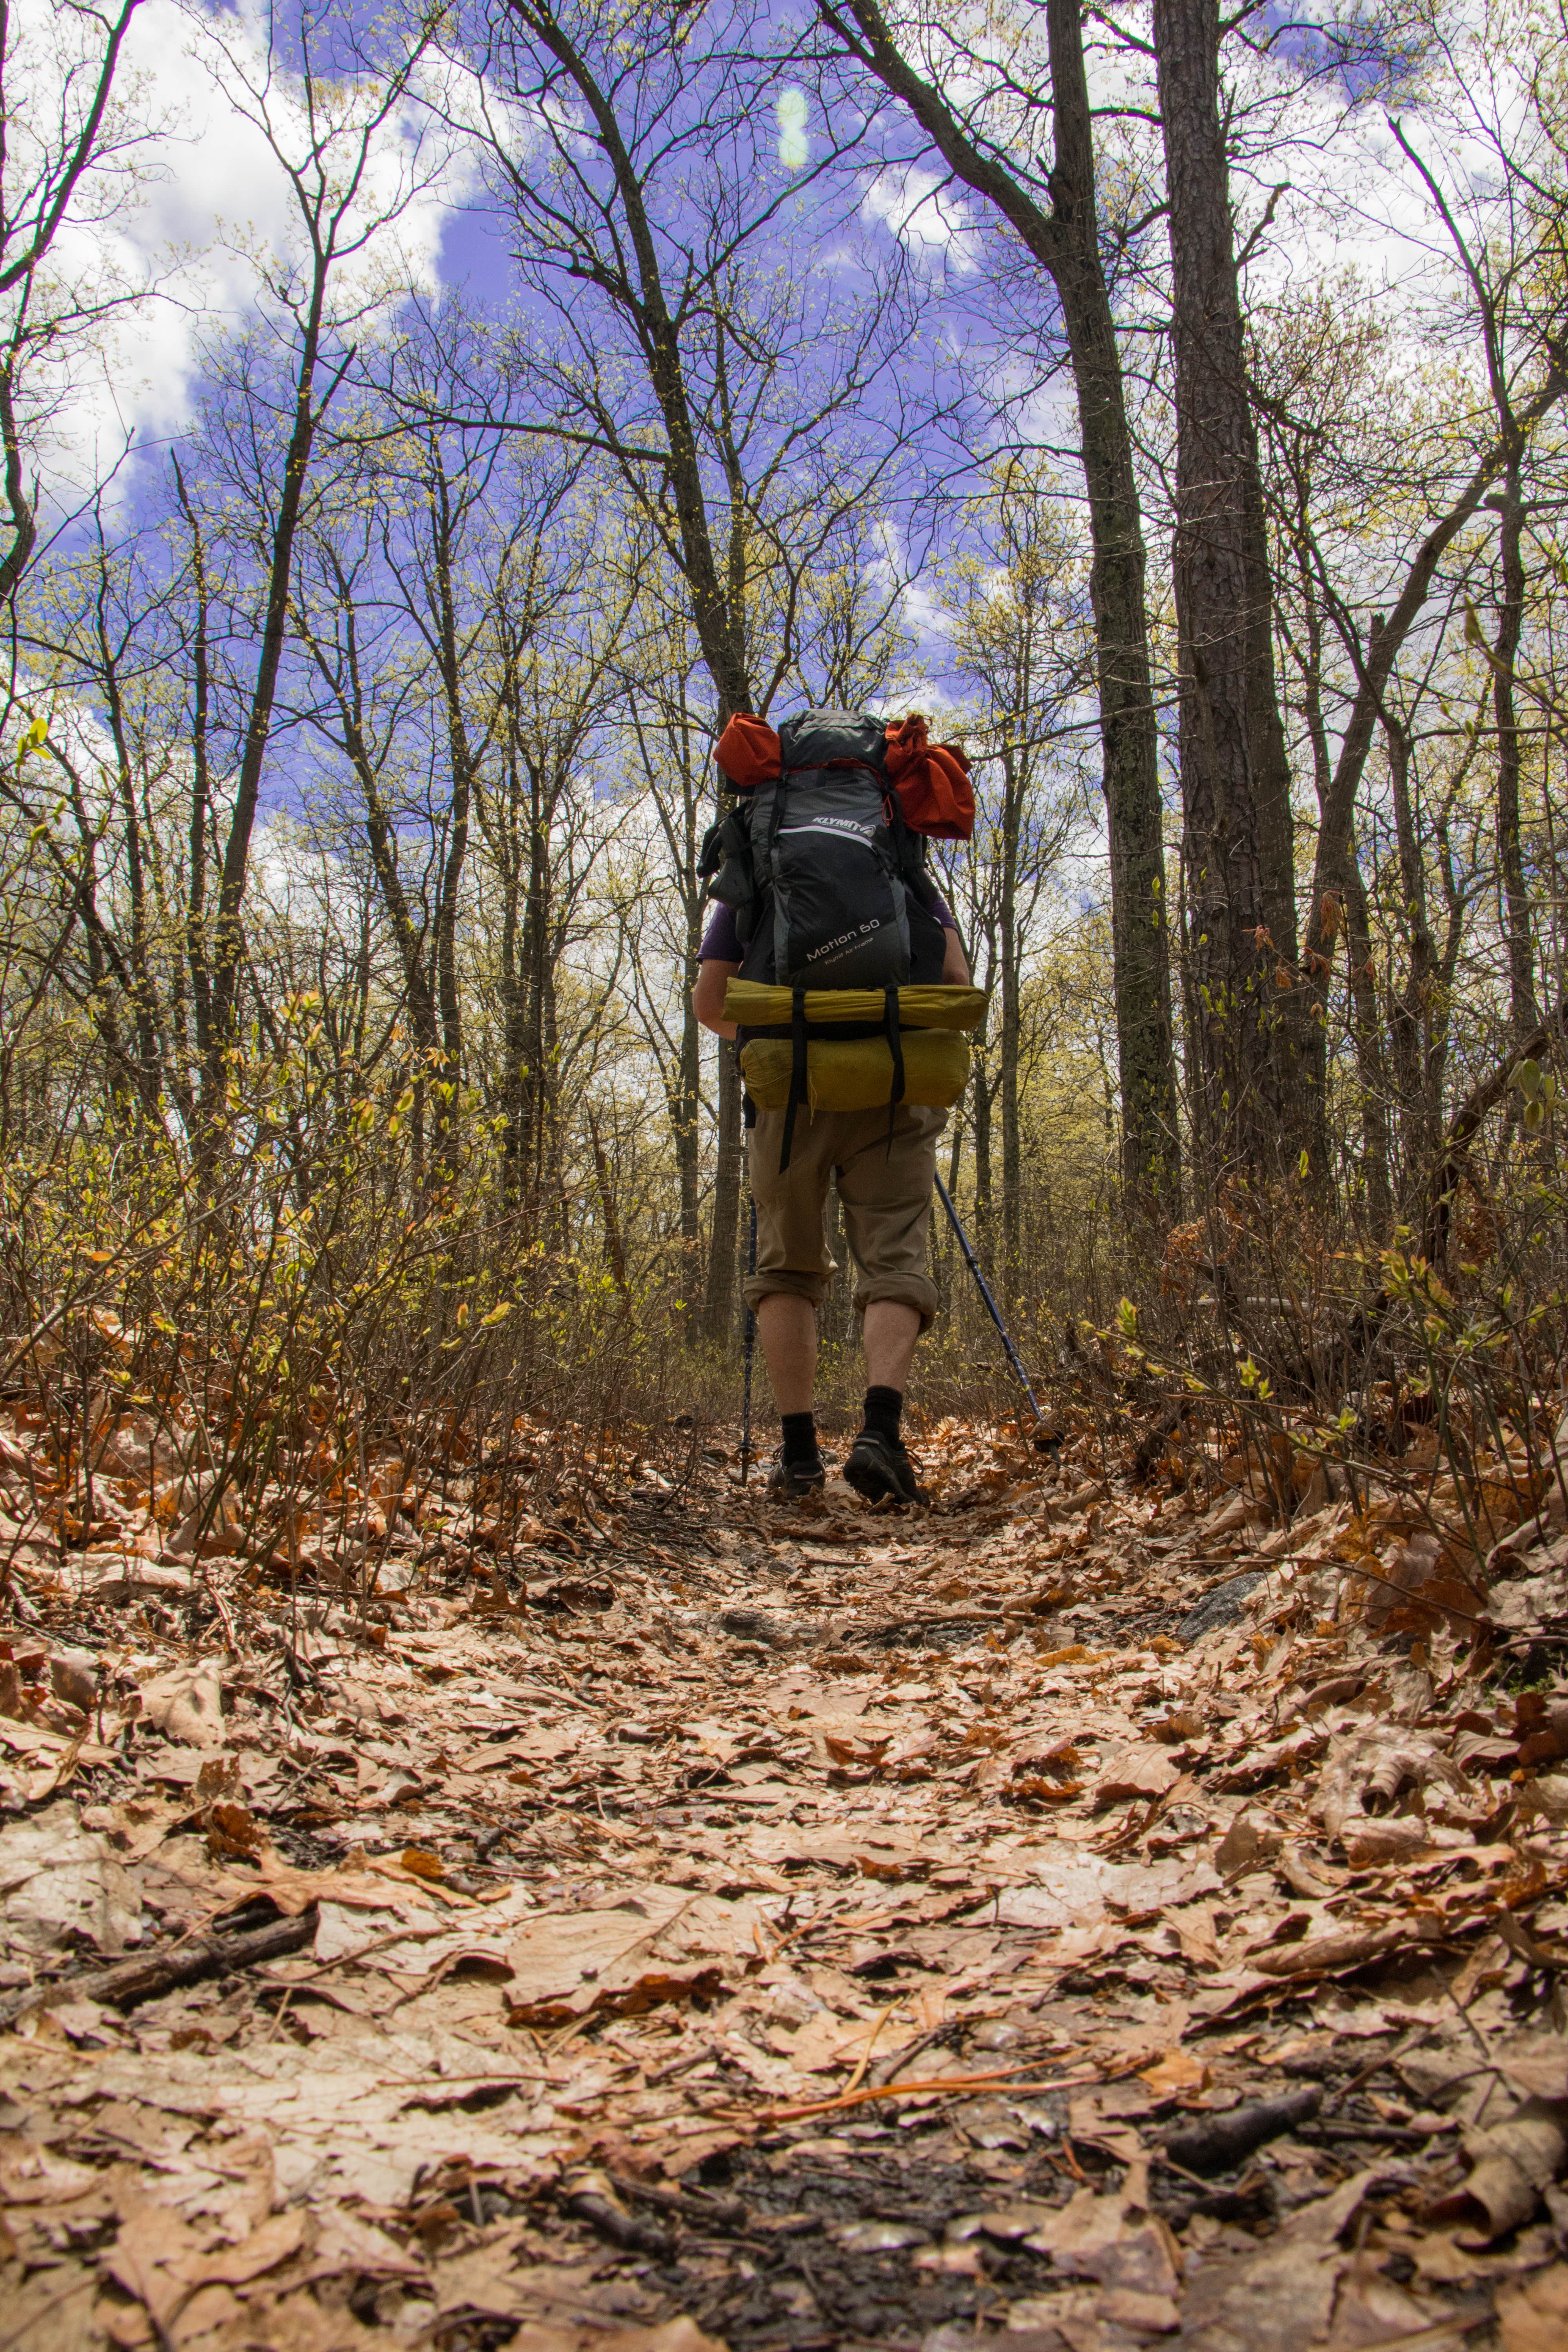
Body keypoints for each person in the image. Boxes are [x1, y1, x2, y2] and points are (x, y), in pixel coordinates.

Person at [693, 896, 971, 1506]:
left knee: (785, 1266)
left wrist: (786, 1032)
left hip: (789, 1088)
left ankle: (799, 1457)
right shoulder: (907, 872)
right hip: (895, 1083)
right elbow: (954, 983)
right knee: (895, 1259)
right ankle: (880, 1434)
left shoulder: (758, 872)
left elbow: (711, 1003)